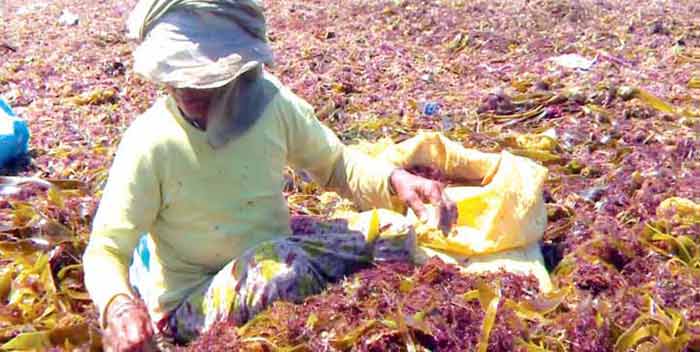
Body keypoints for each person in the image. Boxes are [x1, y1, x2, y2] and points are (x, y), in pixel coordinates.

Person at [82, 1, 456, 351]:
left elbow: (336, 164)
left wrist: (397, 181)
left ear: (238, 67)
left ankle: (311, 282)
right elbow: (107, 248)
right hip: (194, 301)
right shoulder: (150, 142)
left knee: (393, 234)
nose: (187, 90)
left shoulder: (271, 106)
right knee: (275, 273)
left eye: (203, 77)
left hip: (274, 251)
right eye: (175, 76)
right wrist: (118, 305)